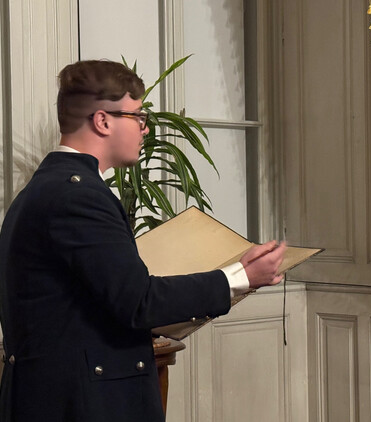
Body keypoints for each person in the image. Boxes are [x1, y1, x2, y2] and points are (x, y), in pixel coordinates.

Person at [0, 60, 287, 422]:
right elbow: (138, 302)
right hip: (84, 406)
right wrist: (242, 277)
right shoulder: (78, 196)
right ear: (103, 121)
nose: (145, 128)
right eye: (137, 116)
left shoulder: (46, 189)